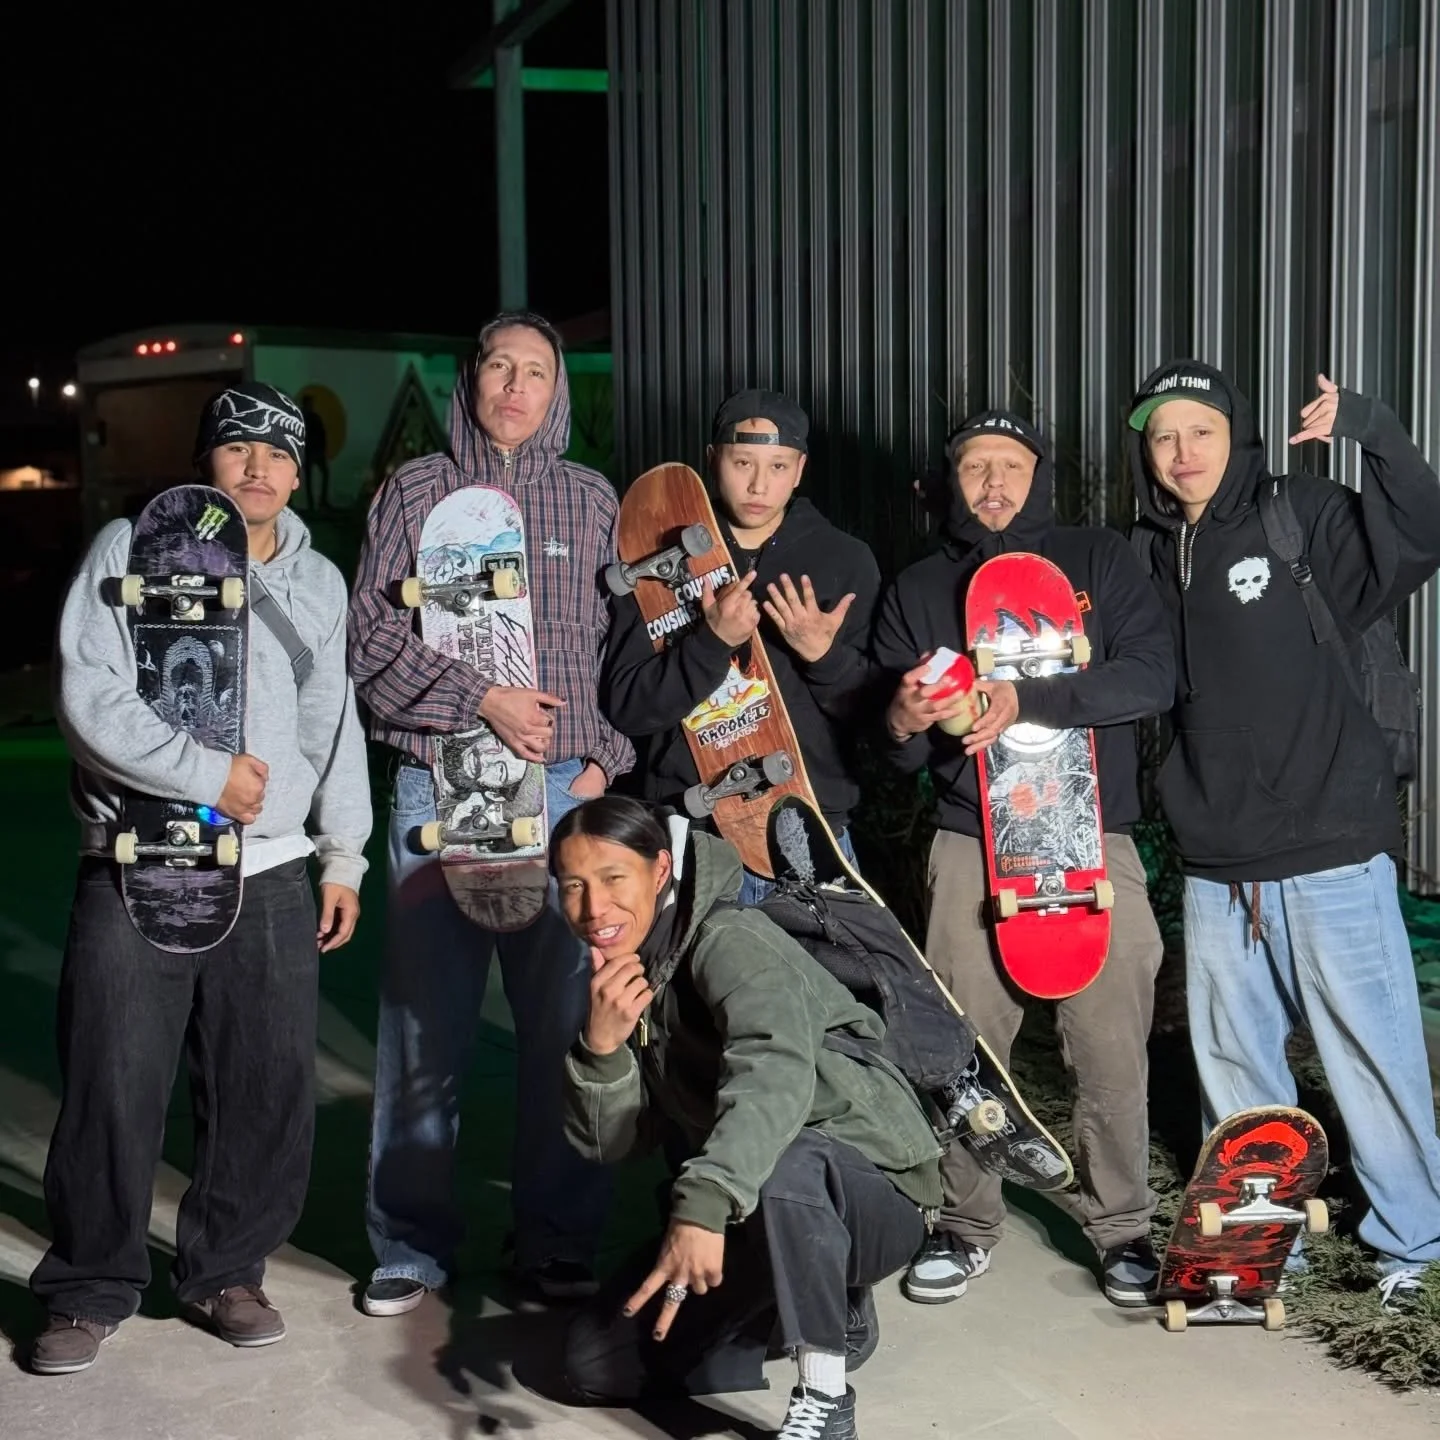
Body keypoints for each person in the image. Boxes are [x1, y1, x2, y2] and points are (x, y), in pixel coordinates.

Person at [30, 381, 371, 1373]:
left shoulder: (317, 583)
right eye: (237, 449)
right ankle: (90, 1286)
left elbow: (333, 727)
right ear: (207, 463)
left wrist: (342, 852)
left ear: (300, 472)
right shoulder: (130, 549)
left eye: (279, 453)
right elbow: (85, 695)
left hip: (267, 873)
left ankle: (227, 1269)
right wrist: (206, 775)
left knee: (265, 1084)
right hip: (137, 860)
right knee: (112, 1079)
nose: (259, 467)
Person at [1127, 359, 1440, 1310]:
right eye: (1163, 436)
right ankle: (1264, 1245)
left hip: (1330, 846)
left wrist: (1372, 424)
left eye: (1201, 432)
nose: (1182, 454)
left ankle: (1414, 1244)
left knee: (1370, 1053)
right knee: (1235, 1067)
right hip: (1219, 862)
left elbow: (1425, 528)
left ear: (1237, 436)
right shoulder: (1143, 552)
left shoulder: (1294, 513)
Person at [348, 310, 634, 1315]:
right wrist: (479, 698)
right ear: (471, 379)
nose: (516, 384)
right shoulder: (413, 494)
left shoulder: (594, 499)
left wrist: (604, 761)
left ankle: (556, 1241)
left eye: (537, 370)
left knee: (563, 1023)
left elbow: (628, 658)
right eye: (500, 366)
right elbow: (369, 648)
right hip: (438, 782)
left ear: (559, 389)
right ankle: (409, 1246)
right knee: (425, 1029)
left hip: (563, 801)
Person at [872, 409, 1174, 1307]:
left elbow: (1150, 676)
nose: (994, 483)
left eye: (1011, 465)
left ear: (1039, 477)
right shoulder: (921, 585)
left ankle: (1121, 1227)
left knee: (1111, 1039)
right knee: (964, 1041)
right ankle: (966, 1224)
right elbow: (890, 747)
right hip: (972, 838)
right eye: (974, 467)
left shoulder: (1098, 560)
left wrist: (1023, 695)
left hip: (1093, 835)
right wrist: (900, 720)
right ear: (950, 483)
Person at [554, 795, 939, 1440]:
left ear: (659, 870)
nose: (595, 909)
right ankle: (813, 1305)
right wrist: (601, 1051)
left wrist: (702, 1203)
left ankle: (824, 1394)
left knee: (792, 1156)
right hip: (752, 1203)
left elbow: (774, 1071)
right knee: (597, 1365)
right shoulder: (628, 970)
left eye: (613, 878)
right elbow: (616, 1143)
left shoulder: (730, 938)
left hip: (871, 1191)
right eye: (573, 886)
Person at [601, 389, 880, 904]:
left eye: (777, 466)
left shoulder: (845, 560)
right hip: (691, 833)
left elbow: (879, 724)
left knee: (816, 987)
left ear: (800, 471)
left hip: (810, 826)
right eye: (742, 462)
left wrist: (825, 658)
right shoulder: (657, 560)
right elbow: (627, 706)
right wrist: (711, 643)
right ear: (713, 460)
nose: (758, 484)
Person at [300, 393, 330, 511]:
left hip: (312, 451)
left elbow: (322, 434)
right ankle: (315, 503)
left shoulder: (305, 417)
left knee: (311, 477)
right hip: (311, 451)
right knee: (311, 477)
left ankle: (315, 503)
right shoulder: (308, 417)